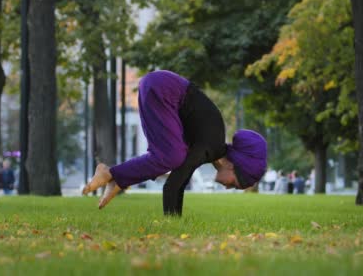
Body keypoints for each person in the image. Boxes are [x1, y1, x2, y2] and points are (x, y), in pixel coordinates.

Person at [82, 70, 268, 215]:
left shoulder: (211, 148)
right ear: (232, 165)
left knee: (170, 156)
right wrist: (173, 222)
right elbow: (173, 185)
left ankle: (118, 178)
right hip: (162, 90)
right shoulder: (209, 148)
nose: (229, 188)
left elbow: (180, 180)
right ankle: (111, 173)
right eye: (235, 184)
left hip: (160, 87)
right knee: (172, 157)